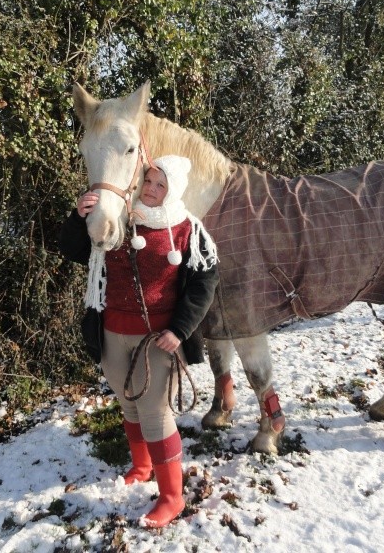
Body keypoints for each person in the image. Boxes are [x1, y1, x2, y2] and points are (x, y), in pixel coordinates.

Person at [58, 155, 219, 529]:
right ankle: (143, 466)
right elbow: (73, 250)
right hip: (112, 333)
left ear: (173, 190)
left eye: (160, 185)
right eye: (148, 180)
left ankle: (172, 497)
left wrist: (179, 330)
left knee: (156, 415)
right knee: (128, 404)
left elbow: (204, 284)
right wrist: (79, 216)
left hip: (159, 340)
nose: (150, 188)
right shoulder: (118, 217)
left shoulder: (186, 230)